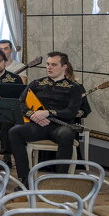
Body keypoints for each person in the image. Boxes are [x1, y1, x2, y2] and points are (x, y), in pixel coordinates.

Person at [8, 52, 84, 185]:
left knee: (67, 134)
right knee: (14, 131)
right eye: (48, 64)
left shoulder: (75, 88)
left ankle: (61, 180)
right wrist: (32, 115)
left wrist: (48, 113)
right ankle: (25, 178)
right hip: (37, 125)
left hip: (60, 127)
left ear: (64, 67)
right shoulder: (37, 83)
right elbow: (20, 103)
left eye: (54, 65)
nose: (49, 67)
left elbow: (71, 112)